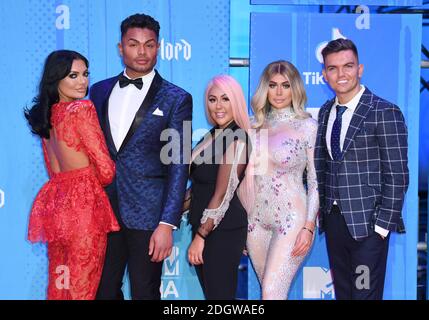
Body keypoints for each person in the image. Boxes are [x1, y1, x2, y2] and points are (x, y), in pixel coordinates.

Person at [89, 13, 192, 300]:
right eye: (134, 44)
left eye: (149, 44)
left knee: (145, 292)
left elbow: (178, 163)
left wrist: (167, 223)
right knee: (104, 291)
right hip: (105, 212)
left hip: (148, 215)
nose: (142, 52)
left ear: (158, 47)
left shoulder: (176, 98)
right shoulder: (98, 91)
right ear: (120, 48)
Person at [315, 38, 409, 300]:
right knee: (345, 294)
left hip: (368, 228)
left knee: (363, 294)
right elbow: (322, 166)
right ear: (324, 74)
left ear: (360, 69)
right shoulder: (325, 112)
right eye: (333, 68)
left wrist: (381, 228)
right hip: (334, 222)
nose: (341, 74)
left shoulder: (384, 111)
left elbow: (398, 176)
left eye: (348, 66)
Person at [25, 50, 120, 300]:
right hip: (83, 210)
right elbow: (107, 169)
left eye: (85, 74)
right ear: (56, 79)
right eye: (73, 75)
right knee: (81, 289)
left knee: (60, 286)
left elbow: (52, 168)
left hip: (57, 209)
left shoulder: (46, 117)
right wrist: (90, 180)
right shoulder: (81, 110)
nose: (82, 82)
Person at [246, 60, 319, 299]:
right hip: (254, 222)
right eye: (272, 85)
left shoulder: (307, 126)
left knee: (271, 293)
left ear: (294, 88)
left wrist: (309, 226)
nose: (278, 92)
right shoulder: (252, 126)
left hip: (292, 220)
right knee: (268, 293)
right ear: (264, 89)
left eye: (285, 85)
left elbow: (317, 182)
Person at [186, 75, 253, 300]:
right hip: (205, 226)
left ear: (236, 101)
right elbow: (198, 187)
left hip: (222, 231)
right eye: (212, 100)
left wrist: (201, 236)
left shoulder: (238, 137)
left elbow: (223, 192)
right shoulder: (212, 134)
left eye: (225, 99)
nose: (218, 106)